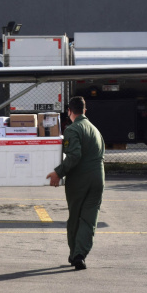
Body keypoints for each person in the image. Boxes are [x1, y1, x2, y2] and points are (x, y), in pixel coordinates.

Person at [46, 96, 105, 271]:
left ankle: (75, 254)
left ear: (69, 111)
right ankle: (81, 253)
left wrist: (58, 172)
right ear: (85, 111)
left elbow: (74, 156)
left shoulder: (73, 130)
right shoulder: (95, 130)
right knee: (89, 219)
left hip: (80, 179)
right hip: (98, 178)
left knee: (75, 218)